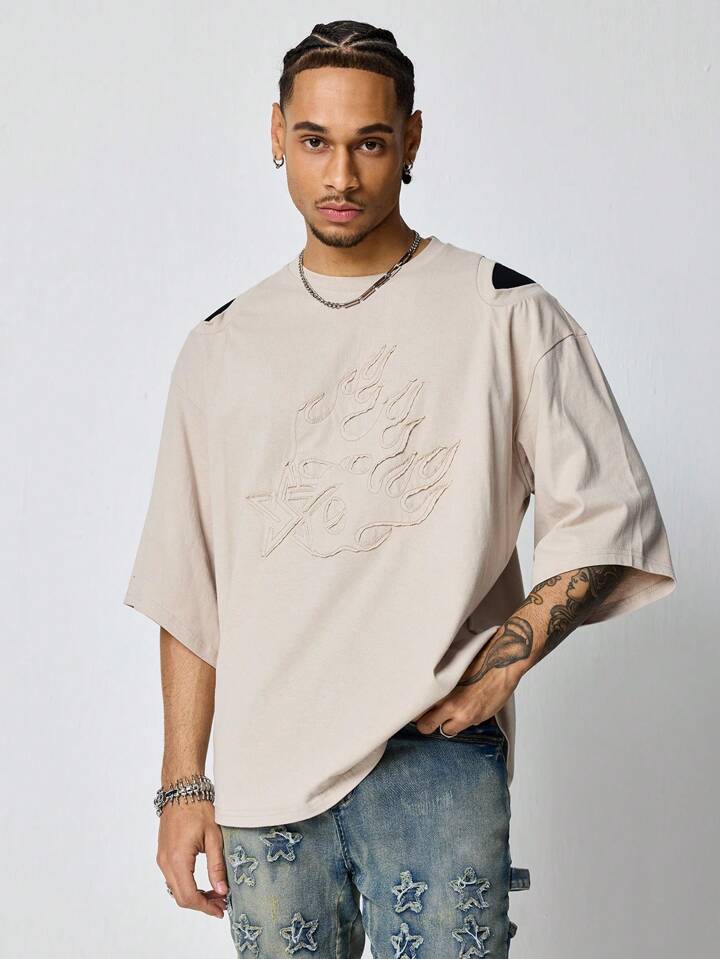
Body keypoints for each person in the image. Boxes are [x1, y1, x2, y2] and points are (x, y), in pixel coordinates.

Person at [123, 19, 677, 958]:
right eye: (315, 141)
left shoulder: (505, 312)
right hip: (263, 777)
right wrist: (184, 783)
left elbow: (608, 518)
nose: (340, 176)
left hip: (433, 764)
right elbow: (189, 580)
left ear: (411, 140)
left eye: (370, 144)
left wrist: (500, 666)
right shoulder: (221, 345)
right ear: (276, 134)